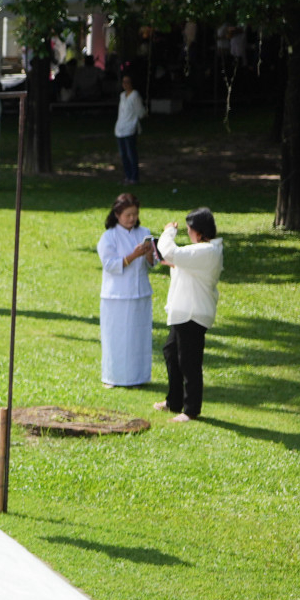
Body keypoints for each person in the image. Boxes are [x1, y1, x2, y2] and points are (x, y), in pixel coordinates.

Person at [152, 208, 223, 422]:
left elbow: (170, 251)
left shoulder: (208, 251)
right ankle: (174, 401)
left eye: (189, 230)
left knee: (189, 361)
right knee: (171, 353)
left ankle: (191, 409)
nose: (188, 233)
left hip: (193, 313)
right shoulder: (202, 250)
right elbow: (181, 262)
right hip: (184, 311)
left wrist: (168, 232)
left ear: (199, 232)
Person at [96, 194, 153, 386]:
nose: (132, 219)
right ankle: (114, 376)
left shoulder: (144, 232)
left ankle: (138, 376)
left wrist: (149, 254)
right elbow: (110, 264)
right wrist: (133, 255)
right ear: (117, 214)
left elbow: (151, 264)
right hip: (117, 295)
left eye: (135, 214)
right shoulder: (109, 237)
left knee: (138, 336)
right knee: (117, 336)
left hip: (140, 293)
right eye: (128, 215)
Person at [115, 73, 145, 183]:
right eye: (124, 82)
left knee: (131, 153)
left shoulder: (135, 95)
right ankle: (127, 176)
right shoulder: (122, 96)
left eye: (127, 82)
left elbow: (140, 112)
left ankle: (134, 177)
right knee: (123, 154)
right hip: (120, 128)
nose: (125, 84)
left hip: (130, 128)